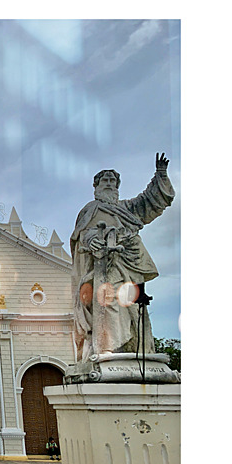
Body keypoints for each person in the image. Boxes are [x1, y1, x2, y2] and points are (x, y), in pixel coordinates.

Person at [71, 153, 175, 361]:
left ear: (117, 186)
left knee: (134, 308)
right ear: (96, 186)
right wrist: (92, 241)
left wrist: (160, 175)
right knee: (108, 304)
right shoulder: (90, 210)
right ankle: (107, 348)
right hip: (105, 265)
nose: (109, 184)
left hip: (129, 263)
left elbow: (148, 202)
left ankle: (135, 348)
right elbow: (81, 235)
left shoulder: (126, 208)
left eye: (112, 181)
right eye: (105, 180)